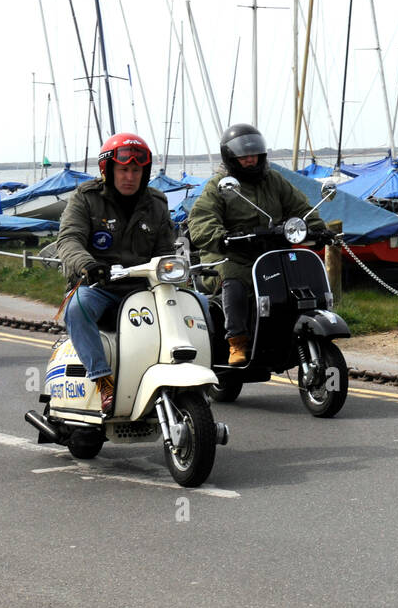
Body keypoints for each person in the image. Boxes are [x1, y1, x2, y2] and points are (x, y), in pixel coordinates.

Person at [56, 133, 176, 414]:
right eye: (123, 170)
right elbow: (69, 240)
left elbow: (165, 250)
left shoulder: (156, 204)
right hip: (100, 286)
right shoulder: (86, 198)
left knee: (200, 305)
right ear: (108, 171)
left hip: (146, 288)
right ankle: (102, 381)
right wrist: (87, 265)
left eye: (136, 170)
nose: (129, 177)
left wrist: (174, 270)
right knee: (77, 309)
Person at [186, 124, 325, 367]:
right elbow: (201, 219)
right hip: (230, 255)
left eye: (255, 155)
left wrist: (316, 227)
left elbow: (300, 206)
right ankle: (236, 341)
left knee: (299, 277)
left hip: (270, 253)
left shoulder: (274, 181)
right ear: (231, 157)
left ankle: (294, 329)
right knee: (234, 281)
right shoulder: (219, 186)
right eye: (244, 156)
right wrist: (221, 236)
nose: (251, 160)